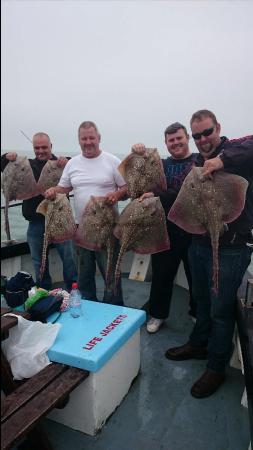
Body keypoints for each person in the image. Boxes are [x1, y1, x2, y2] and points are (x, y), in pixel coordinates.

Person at [165, 110, 253, 398]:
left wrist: (221, 160)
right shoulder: (195, 162)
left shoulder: (236, 152)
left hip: (231, 249)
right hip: (199, 245)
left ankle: (216, 366)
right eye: (198, 135)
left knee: (220, 310)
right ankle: (198, 343)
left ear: (218, 128)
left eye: (208, 132)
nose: (203, 139)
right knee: (201, 300)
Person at [44, 121, 127, 305]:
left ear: (99, 138)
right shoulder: (72, 164)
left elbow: (126, 188)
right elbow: (63, 188)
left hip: (108, 229)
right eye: (84, 138)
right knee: (84, 275)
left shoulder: (112, 161)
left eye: (91, 138)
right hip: (81, 229)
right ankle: (89, 308)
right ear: (79, 140)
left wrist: (117, 194)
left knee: (110, 273)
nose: (88, 142)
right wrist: (53, 191)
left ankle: (114, 309)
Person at [132, 122, 197, 333]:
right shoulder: (160, 164)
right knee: (161, 276)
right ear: (166, 143)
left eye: (179, 138)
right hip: (164, 229)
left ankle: (197, 313)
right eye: (171, 140)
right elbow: (138, 178)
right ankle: (158, 314)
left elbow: (189, 191)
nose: (175, 143)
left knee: (196, 276)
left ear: (187, 137)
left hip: (193, 230)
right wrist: (138, 154)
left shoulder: (200, 161)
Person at [1, 132, 78, 291]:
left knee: (69, 259)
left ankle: (73, 291)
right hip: (35, 223)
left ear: (51, 146)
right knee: (38, 262)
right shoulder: (27, 165)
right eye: (37, 148)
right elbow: (5, 166)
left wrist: (67, 161)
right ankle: (44, 293)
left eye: (44, 147)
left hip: (60, 221)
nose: (40, 151)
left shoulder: (61, 164)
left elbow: (78, 165)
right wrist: (6, 157)